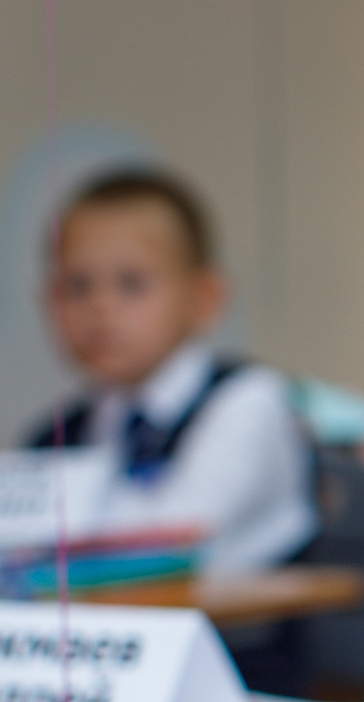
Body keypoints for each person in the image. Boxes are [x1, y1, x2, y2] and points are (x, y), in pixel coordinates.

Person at [27, 167, 315, 576]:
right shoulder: (57, 435)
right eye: (77, 286)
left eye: (131, 283)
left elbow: (179, 537)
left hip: (244, 619)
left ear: (204, 298)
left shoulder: (249, 402)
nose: (100, 307)